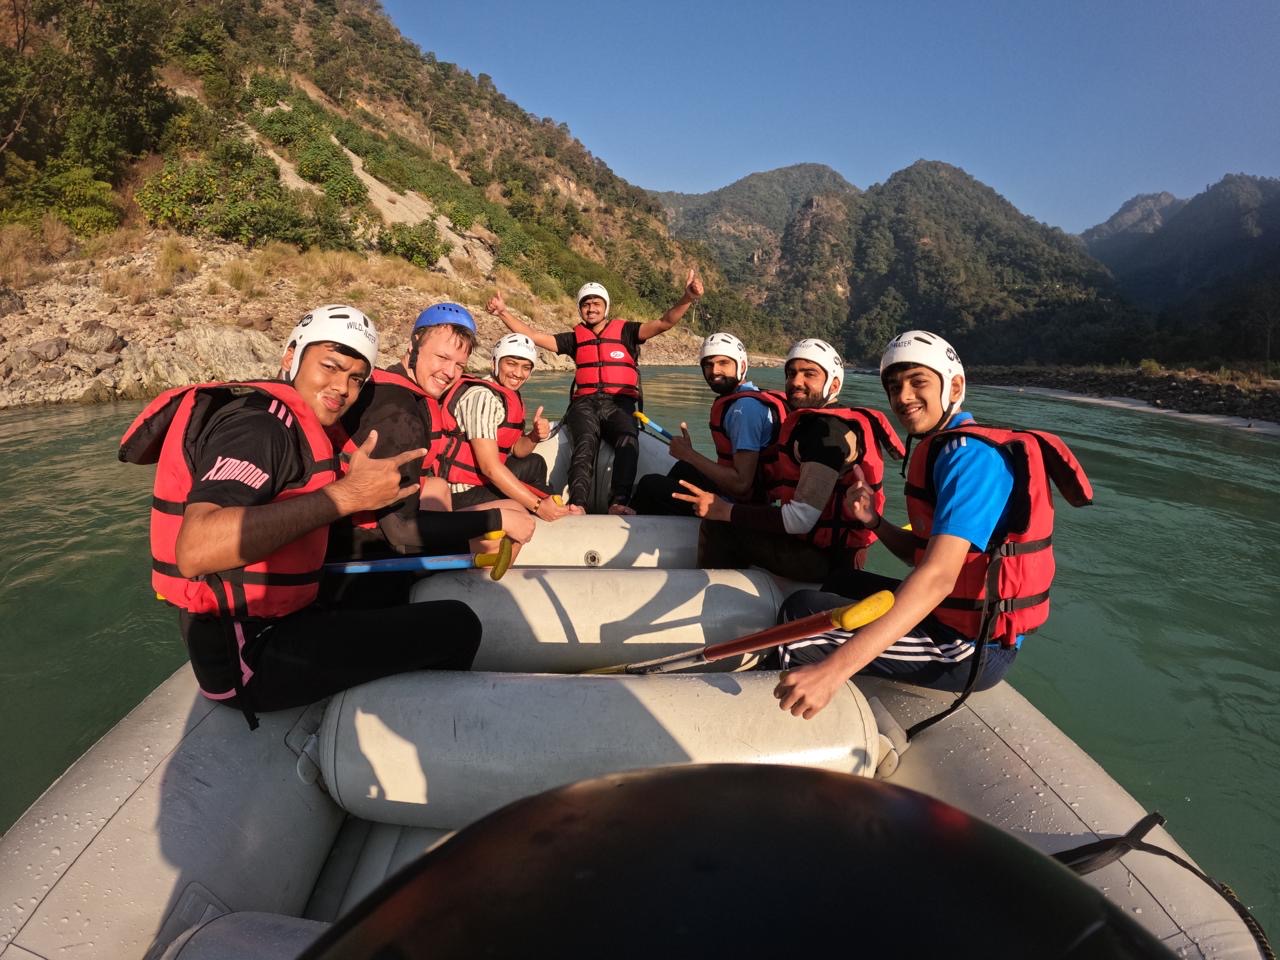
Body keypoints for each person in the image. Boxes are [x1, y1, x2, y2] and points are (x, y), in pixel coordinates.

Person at [119, 305, 487, 729]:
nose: (341, 387)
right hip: (248, 660)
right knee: (458, 624)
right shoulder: (260, 428)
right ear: (290, 356)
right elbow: (196, 548)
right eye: (330, 366)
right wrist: (346, 496)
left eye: (356, 378)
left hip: (278, 623)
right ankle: (424, 738)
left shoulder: (297, 423)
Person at [771, 330, 1094, 720]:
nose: (903, 396)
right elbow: (918, 554)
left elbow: (938, 577)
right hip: (949, 615)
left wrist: (831, 671)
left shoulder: (970, 459)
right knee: (841, 581)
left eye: (917, 382)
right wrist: (874, 520)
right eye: (894, 386)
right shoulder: (948, 449)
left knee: (800, 618)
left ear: (954, 386)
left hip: (967, 647)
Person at [674, 338, 904, 582]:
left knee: (719, 525)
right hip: (823, 548)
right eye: (791, 373)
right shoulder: (821, 422)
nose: (796, 382)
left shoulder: (827, 434)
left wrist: (725, 510)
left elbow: (800, 519)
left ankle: (712, 596)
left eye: (809, 374)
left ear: (834, 384)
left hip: (825, 561)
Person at [326, 303, 536, 566]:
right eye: (442, 358)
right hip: (363, 550)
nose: (450, 373)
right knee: (506, 526)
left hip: (376, 523)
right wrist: (498, 520)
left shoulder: (402, 389)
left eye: (459, 365)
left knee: (437, 486)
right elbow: (400, 532)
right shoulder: (400, 415)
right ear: (414, 345)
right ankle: (458, 584)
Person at [487, 271, 704, 513]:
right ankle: (578, 503)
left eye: (596, 303)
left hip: (619, 403)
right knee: (585, 442)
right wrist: (503, 312)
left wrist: (687, 298)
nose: (591, 308)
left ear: (605, 307)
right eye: (586, 304)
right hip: (584, 403)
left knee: (627, 439)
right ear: (580, 309)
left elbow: (664, 323)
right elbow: (535, 336)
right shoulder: (574, 339)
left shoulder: (627, 332)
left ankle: (619, 502)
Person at [630, 332, 788, 515]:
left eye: (723, 363)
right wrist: (688, 457)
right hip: (750, 495)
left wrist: (689, 454)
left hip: (742, 506)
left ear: (742, 365)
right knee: (683, 469)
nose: (714, 371)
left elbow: (741, 484)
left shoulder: (744, 409)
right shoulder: (748, 397)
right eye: (708, 364)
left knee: (650, 485)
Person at [435, 332, 583, 521]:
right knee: (534, 496)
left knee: (535, 462)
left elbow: (517, 450)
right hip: (460, 492)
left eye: (526, 367)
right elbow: (490, 468)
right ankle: (548, 511)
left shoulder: (507, 395)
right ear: (495, 362)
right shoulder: (482, 397)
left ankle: (551, 505)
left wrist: (534, 436)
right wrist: (537, 505)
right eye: (511, 364)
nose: (518, 373)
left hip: (482, 480)